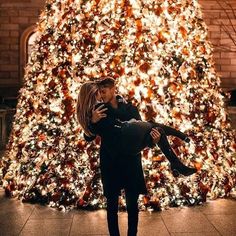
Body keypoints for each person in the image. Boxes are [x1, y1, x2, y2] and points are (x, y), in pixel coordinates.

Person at [76, 78, 197, 236]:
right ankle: (176, 163)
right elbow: (89, 136)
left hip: (131, 160)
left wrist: (153, 141)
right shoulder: (100, 110)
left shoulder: (130, 109)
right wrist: (92, 121)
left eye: (103, 91)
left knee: (132, 204)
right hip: (111, 161)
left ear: (114, 89)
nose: (100, 94)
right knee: (112, 204)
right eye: (99, 92)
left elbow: (142, 137)